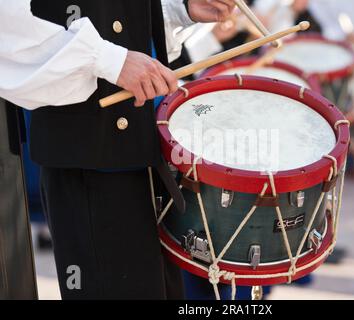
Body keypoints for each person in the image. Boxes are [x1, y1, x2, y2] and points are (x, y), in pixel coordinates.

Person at [0, 0, 236, 299]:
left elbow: (119, 21)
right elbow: (7, 27)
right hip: (87, 161)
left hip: (145, 157)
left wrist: (182, 10)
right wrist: (108, 59)